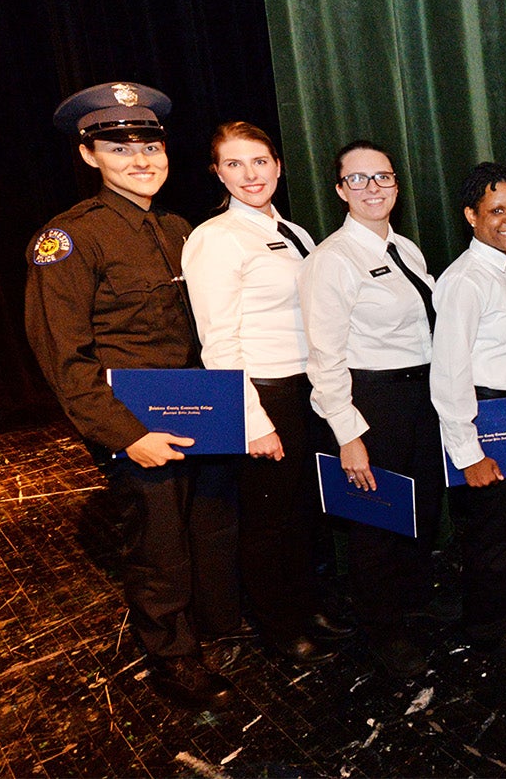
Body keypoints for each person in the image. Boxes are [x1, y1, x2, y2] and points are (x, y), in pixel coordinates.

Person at [24, 82, 240, 708]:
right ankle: (173, 658)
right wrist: (128, 437)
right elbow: (64, 360)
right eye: (120, 147)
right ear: (90, 156)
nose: (141, 159)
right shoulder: (67, 239)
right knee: (157, 545)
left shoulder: (180, 228)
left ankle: (206, 628)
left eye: (150, 144)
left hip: (201, 409)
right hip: (135, 424)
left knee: (202, 531)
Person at [181, 122, 355, 665]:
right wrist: (252, 419)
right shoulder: (214, 238)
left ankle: (306, 605)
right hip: (263, 392)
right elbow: (218, 340)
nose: (250, 175)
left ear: (278, 166)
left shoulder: (295, 231)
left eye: (259, 161)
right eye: (234, 164)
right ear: (217, 172)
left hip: (305, 387)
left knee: (303, 510)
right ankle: (279, 623)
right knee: (267, 519)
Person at [298, 140, 454, 679]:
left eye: (382, 177)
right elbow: (324, 356)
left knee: (422, 506)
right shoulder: (331, 260)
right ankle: (381, 630)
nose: (373, 188)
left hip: (421, 398)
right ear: (340, 190)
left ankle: (410, 602)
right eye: (358, 179)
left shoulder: (407, 249)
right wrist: (348, 434)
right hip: (372, 401)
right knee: (374, 522)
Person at [431, 162, 506, 662]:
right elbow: (449, 373)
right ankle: (488, 629)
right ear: (470, 216)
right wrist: (467, 452)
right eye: (497, 210)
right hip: (489, 417)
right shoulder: (465, 281)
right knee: (492, 537)